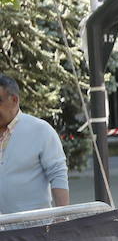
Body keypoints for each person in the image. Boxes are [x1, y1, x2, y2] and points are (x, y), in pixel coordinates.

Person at [0, 74, 70, 215]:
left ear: (14, 100)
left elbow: (58, 174)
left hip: (33, 229)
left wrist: (62, 218)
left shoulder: (40, 130)